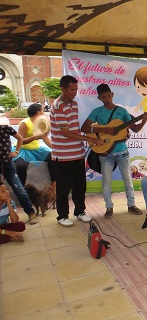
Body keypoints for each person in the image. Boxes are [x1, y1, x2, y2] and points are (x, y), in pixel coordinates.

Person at [81, 84, 147, 219]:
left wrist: (144, 119)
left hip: (122, 152)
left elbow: (134, 129)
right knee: (106, 182)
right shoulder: (97, 112)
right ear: (99, 98)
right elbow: (85, 127)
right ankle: (109, 207)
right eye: (103, 97)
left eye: (108, 96)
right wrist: (103, 130)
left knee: (128, 180)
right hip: (105, 154)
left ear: (112, 94)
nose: (107, 99)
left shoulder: (122, 112)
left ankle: (131, 204)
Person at [50, 75, 104, 227]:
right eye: (72, 89)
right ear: (63, 89)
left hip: (78, 154)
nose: (75, 92)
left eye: (76, 89)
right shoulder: (58, 106)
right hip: (63, 155)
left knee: (80, 186)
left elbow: (74, 128)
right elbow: (66, 132)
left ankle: (80, 211)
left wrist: (92, 135)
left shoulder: (74, 104)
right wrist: (90, 139)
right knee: (63, 188)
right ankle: (62, 216)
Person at [0, 124, 38, 224]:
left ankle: (30, 212)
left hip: (7, 164)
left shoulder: (5, 128)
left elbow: (20, 138)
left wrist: (16, 151)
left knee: (19, 189)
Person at [13, 103, 56, 187]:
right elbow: (20, 140)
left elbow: (45, 137)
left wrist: (55, 149)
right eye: (43, 111)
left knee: (53, 157)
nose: (44, 113)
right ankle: (21, 188)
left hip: (36, 150)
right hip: (22, 149)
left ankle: (54, 184)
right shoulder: (24, 123)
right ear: (38, 113)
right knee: (21, 165)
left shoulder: (41, 123)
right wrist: (34, 137)